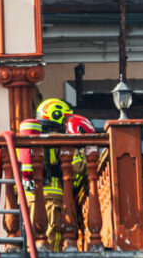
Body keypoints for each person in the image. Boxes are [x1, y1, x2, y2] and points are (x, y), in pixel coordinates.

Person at [15, 98, 94, 248]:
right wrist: (83, 145)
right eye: (64, 119)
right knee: (51, 246)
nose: (66, 124)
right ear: (55, 115)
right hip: (50, 201)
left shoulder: (28, 140)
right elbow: (79, 166)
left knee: (31, 244)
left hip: (27, 198)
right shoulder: (57, 140)